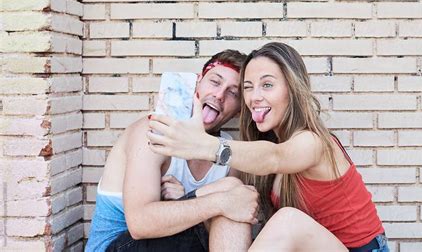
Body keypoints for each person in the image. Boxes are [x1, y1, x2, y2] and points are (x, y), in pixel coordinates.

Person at [148, 42, 389, 252]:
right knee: (231, 193)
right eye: (248, 87)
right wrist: (186, 200)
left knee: (288, 221)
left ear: (292, 90)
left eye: (267, 85)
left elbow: (274, 157)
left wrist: (204, 145)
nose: (254, 97)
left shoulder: (313, 143)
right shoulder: (265, 152)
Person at [86, 49, 259, 252]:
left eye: (233, 93)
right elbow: (139, 224)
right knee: (231, 191)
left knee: (233, 191)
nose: (219, 95)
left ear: (239, 109)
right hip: (115, 247)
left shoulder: (227, 155)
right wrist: (219, 202)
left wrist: (185, 198)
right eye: (215, 82)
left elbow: (221, 232)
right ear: (198, 83)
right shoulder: (155, 130)